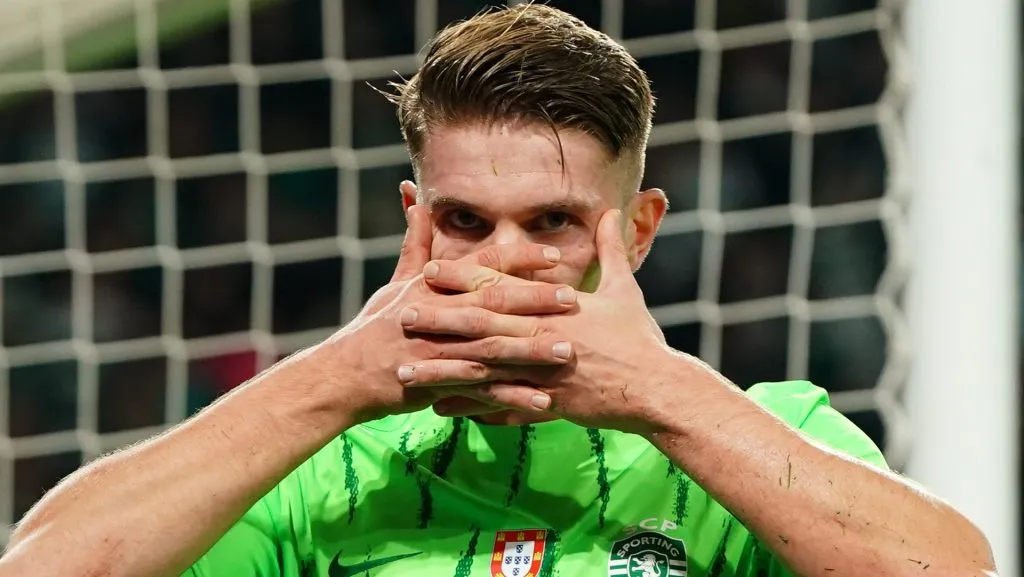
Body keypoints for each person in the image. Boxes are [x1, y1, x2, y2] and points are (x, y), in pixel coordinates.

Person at [1, 5, 995, 577]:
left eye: (554, 222)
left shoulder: (756, 435)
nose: (505, 260)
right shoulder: (323, 468)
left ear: (638, 229)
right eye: (465, 220)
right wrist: (333, 381)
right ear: (414, 221)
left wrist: (660, 393)